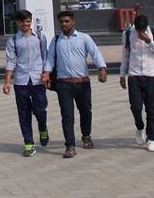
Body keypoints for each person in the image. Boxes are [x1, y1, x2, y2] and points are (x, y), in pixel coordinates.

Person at [42, 11, 107, 159]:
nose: (63, 24)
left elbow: (95, 53)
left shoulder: (84, 38)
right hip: (64, 84)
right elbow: (50, 59)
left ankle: (86, 135)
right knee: (67, 115)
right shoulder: (56, 40)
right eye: (61, 22)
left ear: (73, 22)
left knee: (85, 111)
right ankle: (70, 145)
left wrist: (102, 69)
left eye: (66, 21)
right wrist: (46, 73)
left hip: (82, 82)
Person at [3, 9, 50, 157]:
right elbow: (11, 62)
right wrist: (7, 82)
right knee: (24, 114)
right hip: (21, 81)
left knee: (40, 110)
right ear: (17, 23)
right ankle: (28, 143)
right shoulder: (13, 41)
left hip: (37, 80)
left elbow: (45, 57)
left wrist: (46, 75)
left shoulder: (40, 37)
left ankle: (43, 128)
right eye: (22, 21)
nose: (26, 24)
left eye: (28, 21)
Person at [119, 14, 154, 152]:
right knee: (136, 106)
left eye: (143, 30)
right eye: (139, 30)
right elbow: (125, 54)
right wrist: (122, 74)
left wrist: (149, 41)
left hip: (151, 75)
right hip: (134, 75)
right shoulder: (127, 34)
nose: (141, 33)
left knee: (151, 109)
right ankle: (139, 127)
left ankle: (151, 138)